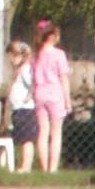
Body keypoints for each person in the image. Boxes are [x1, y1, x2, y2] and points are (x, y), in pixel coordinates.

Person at [29, 20, 71, 172]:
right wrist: (68, 100)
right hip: (55, 94)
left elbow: (33, 79)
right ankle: (52, 168)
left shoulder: (36, 55)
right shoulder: (59, 55)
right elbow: (64, 78)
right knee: (56, 133)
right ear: (53, 36)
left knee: (43, 132)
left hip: (40, 93)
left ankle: (44, 166)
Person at [5, 39, 38, 172]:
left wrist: (29, 96)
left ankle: (26, 166)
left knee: (27, 140)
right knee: (22, 138)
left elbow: (33, 83)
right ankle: (23, 164)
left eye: (11, 57)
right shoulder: (18, 70)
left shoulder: (25, 69)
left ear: (19, 56)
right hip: (18, 109)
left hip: (25, 109)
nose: (10, 61)